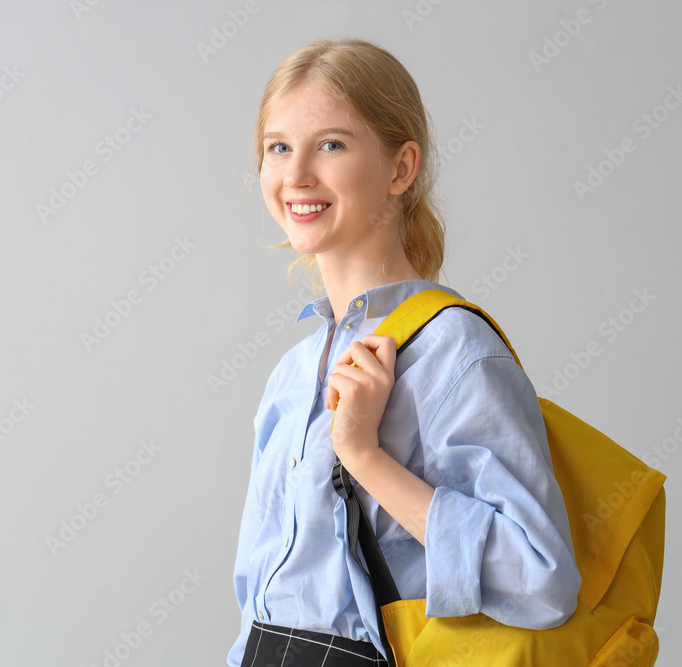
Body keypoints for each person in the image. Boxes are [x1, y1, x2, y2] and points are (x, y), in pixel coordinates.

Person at [229, 38, 581, 667]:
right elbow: (263, 600)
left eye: (331, 144)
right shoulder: (292, 374)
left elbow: (542, 579)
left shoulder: (455, 352)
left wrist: (363, 455)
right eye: (278, 147)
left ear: (401, 168)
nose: (296, 174)